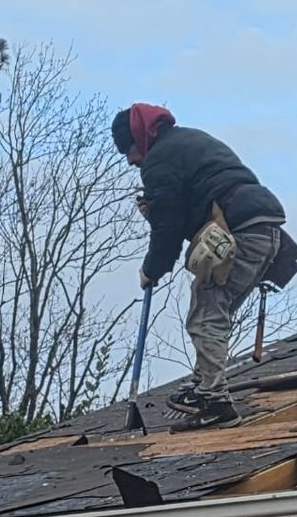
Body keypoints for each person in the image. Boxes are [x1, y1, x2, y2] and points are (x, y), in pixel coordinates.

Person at [112, 103, 286, 425]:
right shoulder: (189, 140)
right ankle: (203, 381)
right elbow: (193, 204)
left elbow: (168, 229)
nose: (131, 160)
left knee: (207, 308)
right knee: (211, 306)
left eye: (129, 150)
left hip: (241, 230)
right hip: (264, 227)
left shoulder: (158, 161)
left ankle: (214, 400)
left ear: (140, 138)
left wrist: (151, 270)